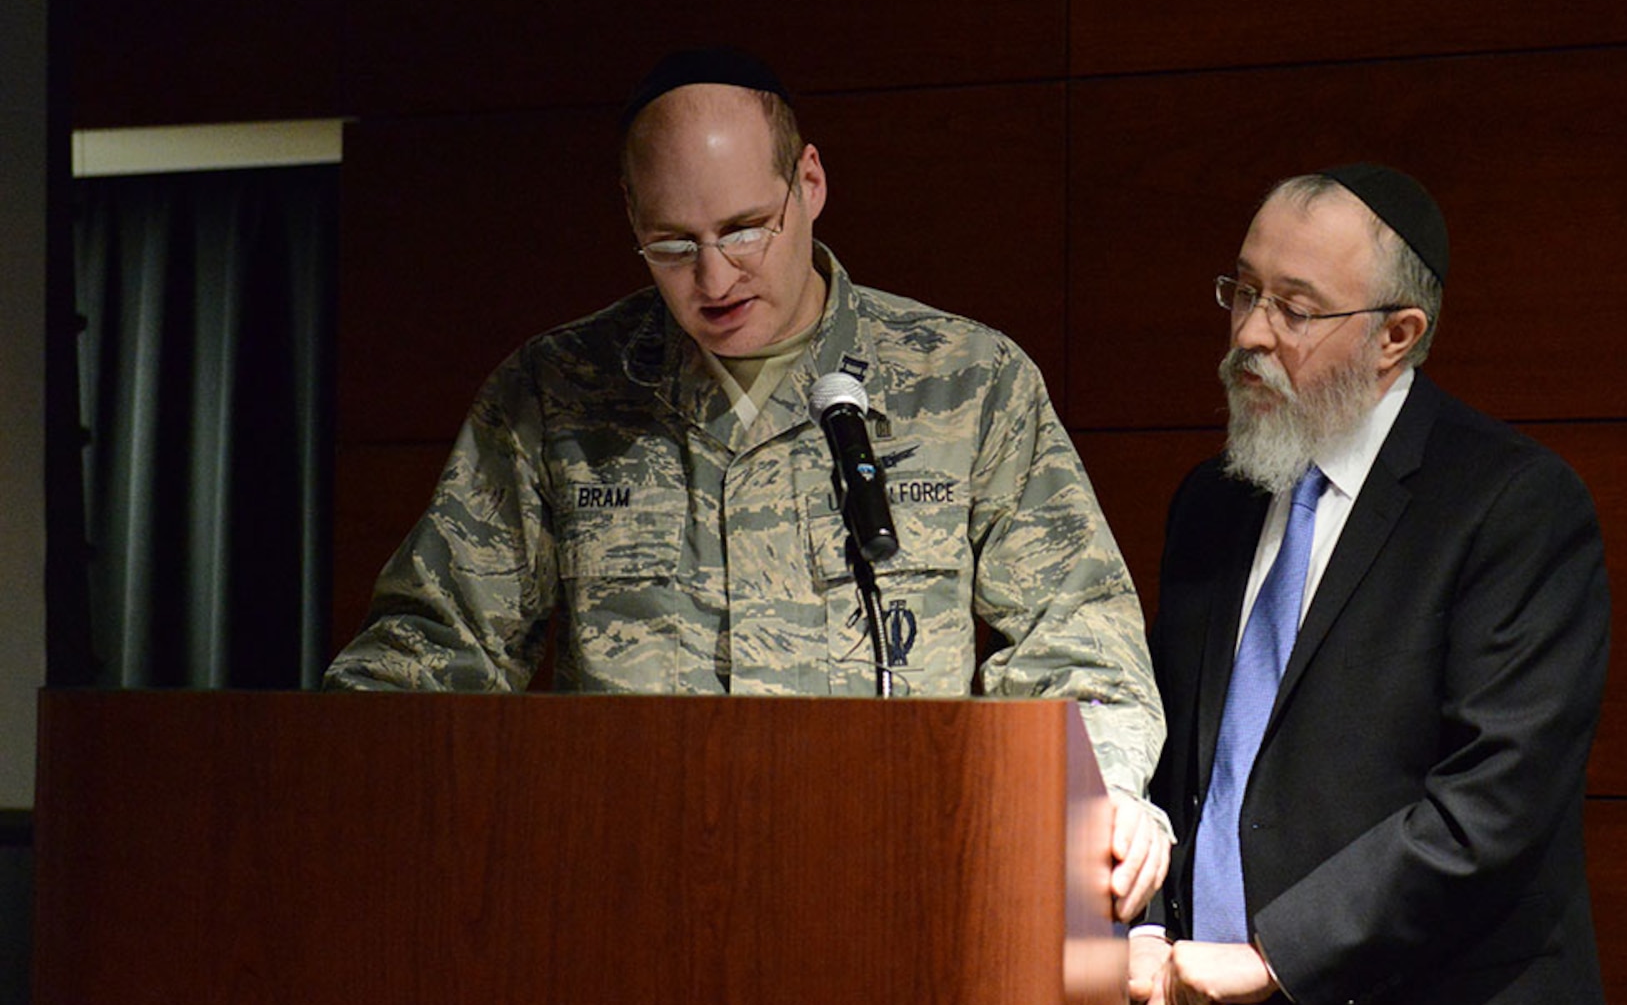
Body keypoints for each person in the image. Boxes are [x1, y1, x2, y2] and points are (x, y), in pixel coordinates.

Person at [323, 48, 1170, 918]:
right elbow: (434, 648)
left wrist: (1101, 795)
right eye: (672, 244)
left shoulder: (966, 382)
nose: (715, 277)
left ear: (809, 183)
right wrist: (335, 773)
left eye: (744, 229)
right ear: (631, 215)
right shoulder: (557, 395)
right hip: (621, 903)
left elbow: (1080, 643)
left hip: (894, 896)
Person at [1129, 164, 1618, 1005]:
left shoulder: (1511, 506)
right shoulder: (1212, 502)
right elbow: (1182, 761)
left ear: (1397, 334)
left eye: (1294, 309)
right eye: (1242, 291)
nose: (1249, 334)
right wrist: (1153, 933)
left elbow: (1492, 807)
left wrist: (1268, 958)